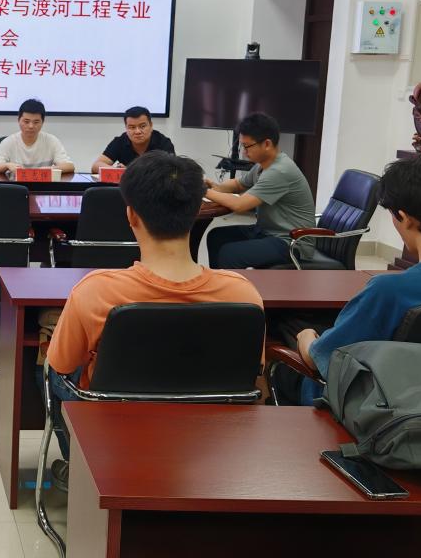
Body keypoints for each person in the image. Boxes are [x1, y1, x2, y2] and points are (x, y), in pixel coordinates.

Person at [45, 151, 264, 488]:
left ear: (131, 215)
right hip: (209, 440)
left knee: (48, 368)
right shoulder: (244, 294)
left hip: (116, 431)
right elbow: (254, 377)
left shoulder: (96, 290)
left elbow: (62, 364)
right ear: (198, 211)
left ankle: (79, 470)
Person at [277, 155, 421, 406]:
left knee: (285, 353)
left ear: (404, 217)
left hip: (379, 411)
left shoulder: (389, 291)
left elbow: (318, 361)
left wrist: (307, 337)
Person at [204, 112, 315, 269]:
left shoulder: (279, 171)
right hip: (268, 232)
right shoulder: (263, 165)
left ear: (267, 144)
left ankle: (231, 285)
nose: (243, 152)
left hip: (291, 242)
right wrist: (215, 187)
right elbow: (238, 184)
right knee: (216, 237)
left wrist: (203, 192)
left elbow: (240, 205)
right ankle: (220, 282)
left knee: (230, 254)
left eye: (247, 146)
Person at [0, 98, 74, 175]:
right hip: (16, 185)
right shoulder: (8, 142)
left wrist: (51, 169)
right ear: (18, 120)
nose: (31, 126)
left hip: (43, 185)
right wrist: (7, 165)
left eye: (36, 122)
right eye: (26, 121)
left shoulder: (51, 141)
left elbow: (69, 166)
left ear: (43, 122)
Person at [91, 105, 175, 171]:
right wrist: (117, 171)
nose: (137, 131)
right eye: (132, 127)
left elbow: (172, 171)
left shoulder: (163, 143)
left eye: (142, 126)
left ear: (151, 125)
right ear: (126, 128)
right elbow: (96, 166)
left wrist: (130, 172)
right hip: (127, 187)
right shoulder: (120, 141)